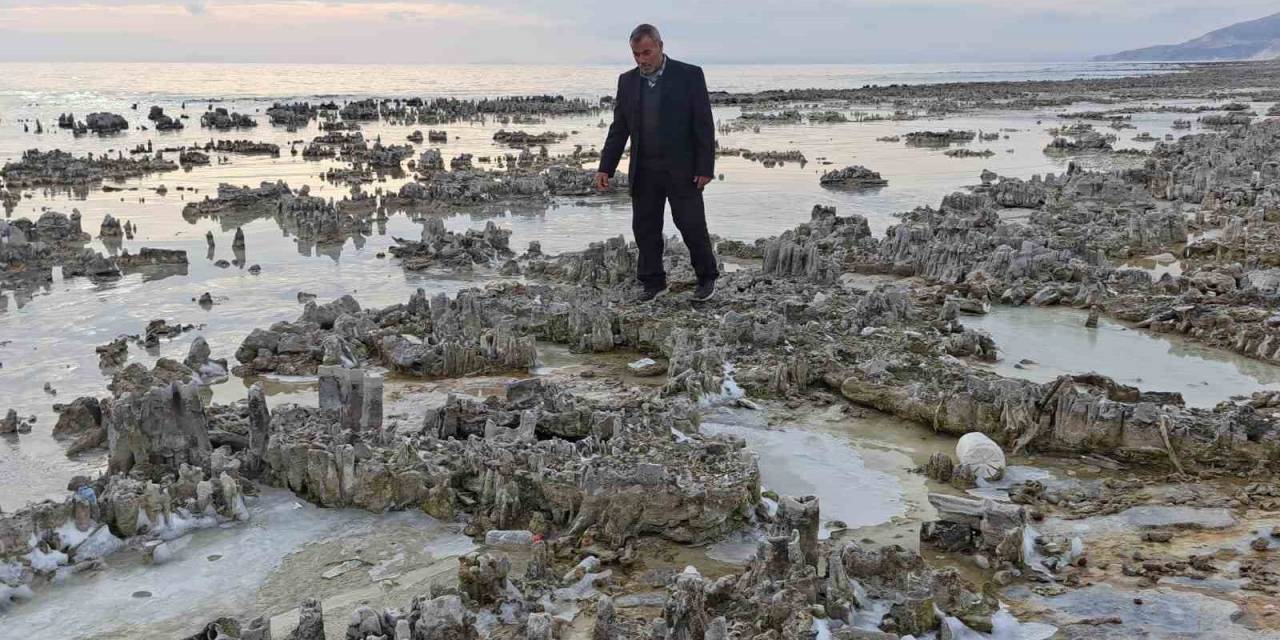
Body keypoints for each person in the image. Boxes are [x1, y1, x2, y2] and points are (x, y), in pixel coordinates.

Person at [595, 23, 719, 302]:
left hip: (683, 170)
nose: (642, 60)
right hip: (644, 169)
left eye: (647, 52)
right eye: (636, 54)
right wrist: (606, 167)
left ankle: (707, 278)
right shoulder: (627, 82)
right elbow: (619, 128)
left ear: (660, 47)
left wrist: (705, 168)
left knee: (691, 225)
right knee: (645, 228)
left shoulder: (689, 75)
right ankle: (653, 282)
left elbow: (703, 124)